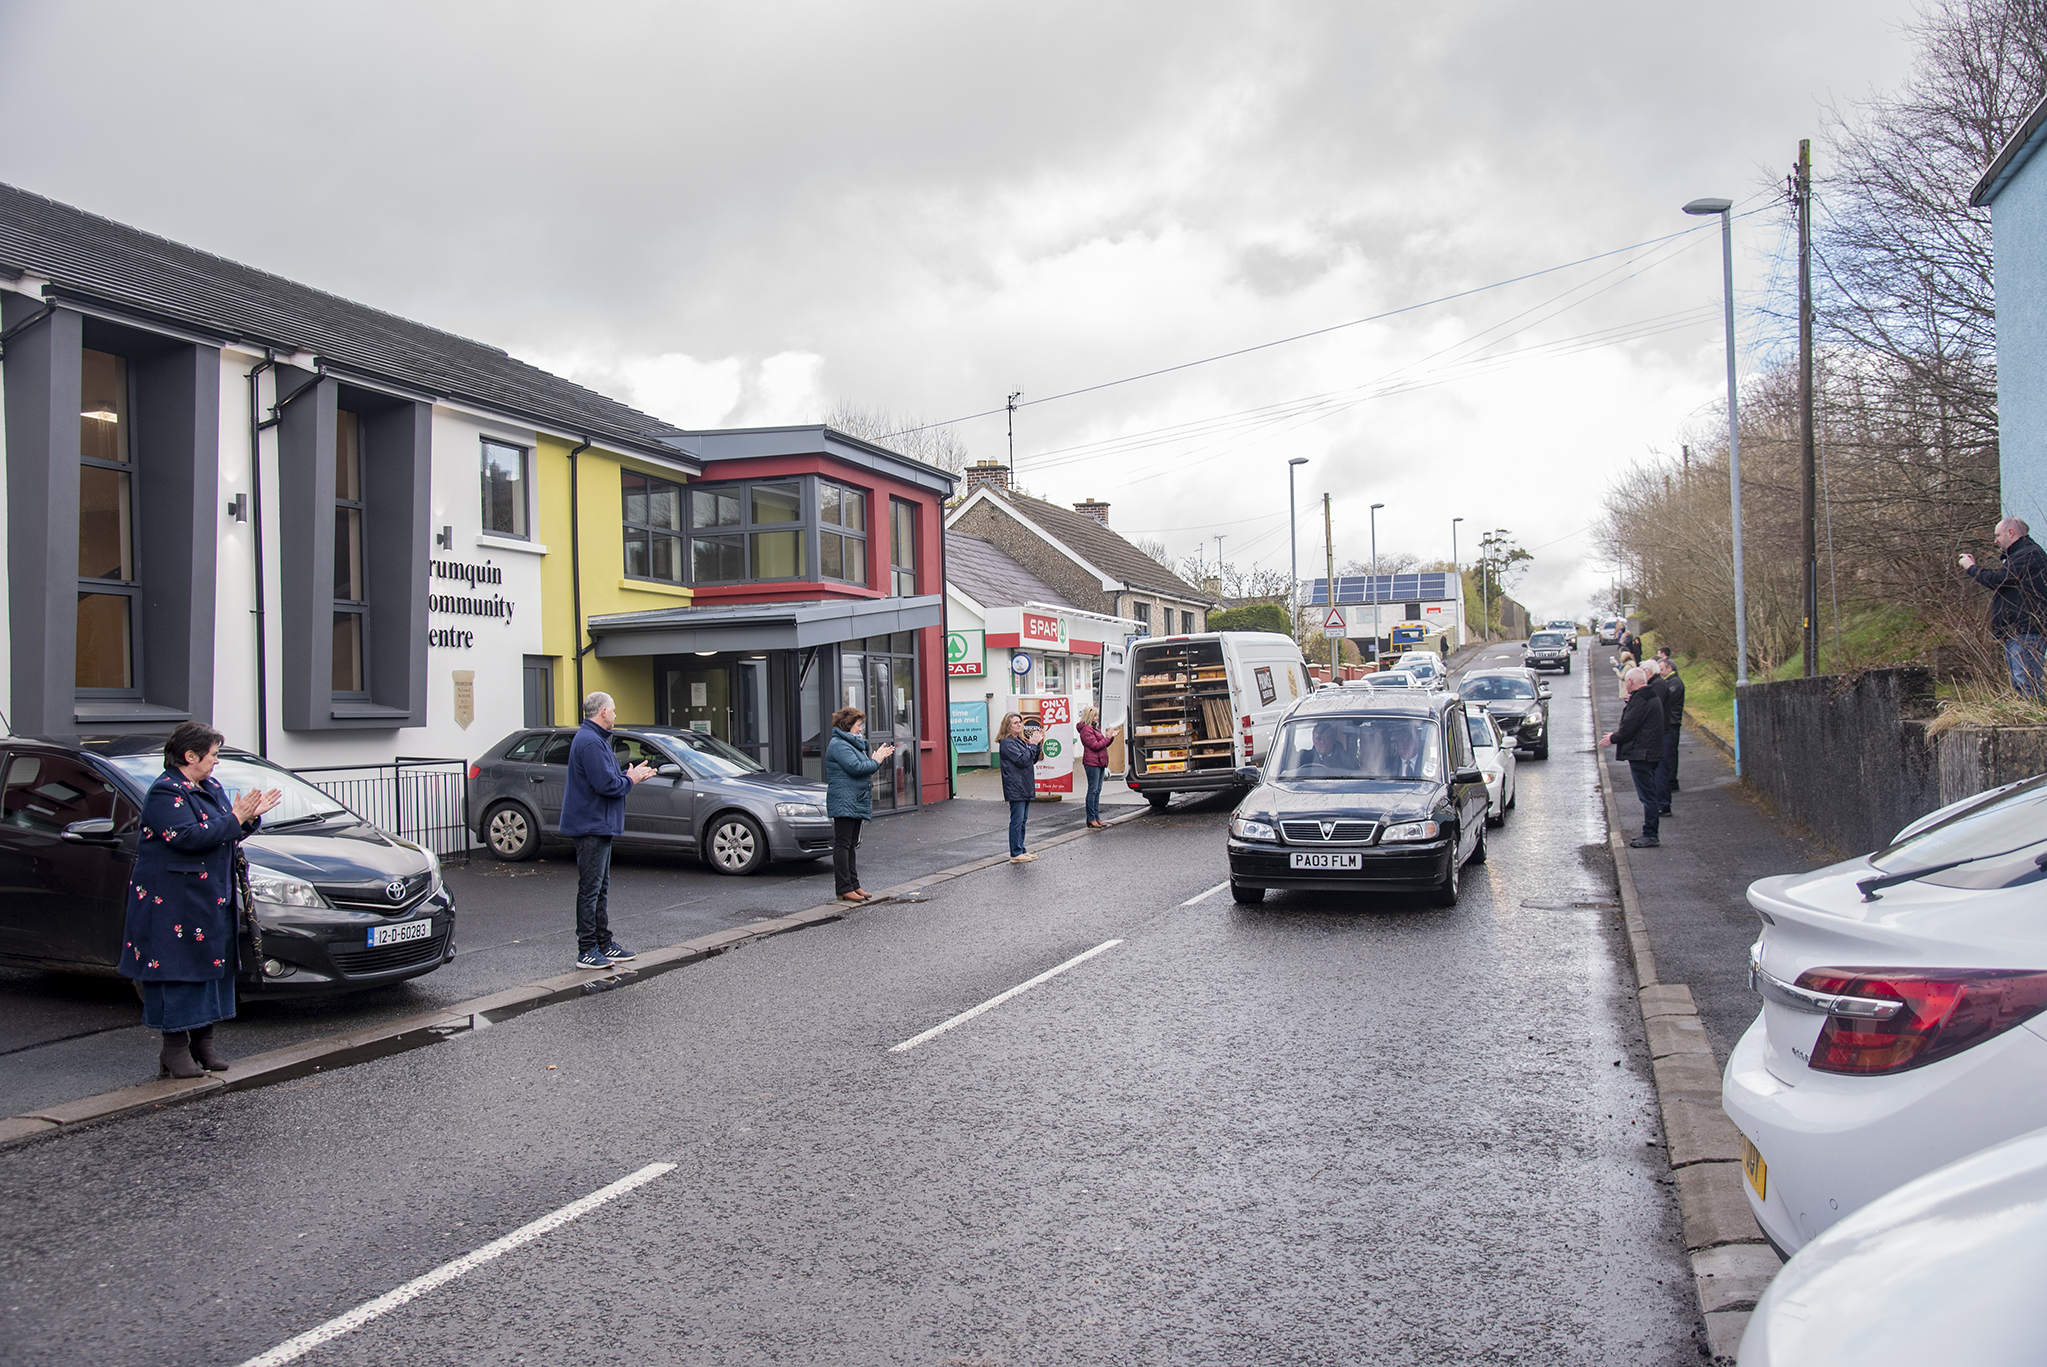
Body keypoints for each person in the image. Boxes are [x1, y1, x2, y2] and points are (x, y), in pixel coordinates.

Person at [120, 721, 282, 1079]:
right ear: (190, 756)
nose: (216, 762)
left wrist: (248, 818)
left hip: (208, 897)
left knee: (212, 967)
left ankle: (203, 1044)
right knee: (178, 972)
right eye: (212, 755)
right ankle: (174, 1049)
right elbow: (187, 836)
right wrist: (236, 818)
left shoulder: (209, 786)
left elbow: (226, 831)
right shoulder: (165, 792)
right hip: (173, 902)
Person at [560, 691, 656, 969]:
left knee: (599, 888)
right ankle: (587, 949)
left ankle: (604, 943)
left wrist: (629, 776)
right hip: (591, 824)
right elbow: (606, 785)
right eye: (613, 710)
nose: (615, 715)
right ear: (602, 712)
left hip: (598, 823)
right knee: (591, 889)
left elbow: (609, 779)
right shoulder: (590, 742)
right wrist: (631, 779)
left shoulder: (594, 739)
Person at [1959, 516, 2047, 699]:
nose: (1995, 540)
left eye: (1997, 535)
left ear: (2011, 532)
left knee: (2027, 682)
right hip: (2018, 630)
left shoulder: (2028, 555)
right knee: (2021, 682)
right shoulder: (2022, 555)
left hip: (2026, 629)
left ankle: (2037, 723)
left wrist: (1971, 568)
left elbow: (1998, 580)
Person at [825, 707, 895, 901]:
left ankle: (854, 885)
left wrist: (875, 759)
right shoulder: (839, 745)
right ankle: (843, 888)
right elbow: (857, 768)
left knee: (850, 845)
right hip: (844, 800)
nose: (860, 729)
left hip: (854, 800)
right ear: (847, 725)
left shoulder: (851, 744)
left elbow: (863, 766)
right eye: (858, 725)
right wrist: (877, 760)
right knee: (843, 844)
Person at [1603, 666, 1667, 848]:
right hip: (1650, 752)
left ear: (1630, 682)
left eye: (1626, 682)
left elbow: (1629, 726)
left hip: (1642, 753)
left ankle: (1650, 834)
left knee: (1647, 796)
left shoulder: (1641, 700)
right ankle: (1650, 832)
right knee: (1649, 794)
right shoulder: (1649, 695)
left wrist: (1612, 738)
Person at [997, 712, 1044, 862]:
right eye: (1016, 722)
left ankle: (1021, 849)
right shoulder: (1007, 743)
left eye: (1020, 722)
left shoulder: (1019, 741)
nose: (1019, 725)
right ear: (1008, 726)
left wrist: (1038, 743)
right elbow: (1022, 760)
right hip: (1016, 786)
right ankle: (1015, 853)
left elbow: (1032, 759)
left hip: (1024, 784)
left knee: (1023, 819)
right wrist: (1033, 744)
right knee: (1017, 820)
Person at [1076, 707, 1120, 830]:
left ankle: (1096, 816)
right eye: (1095, 716)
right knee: (1093, 790)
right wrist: (1107, 738)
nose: (1097, 718)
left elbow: (1103, 744)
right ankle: (1091, 817)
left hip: (1099, 762)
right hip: (1092, 763)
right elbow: (1095, 746)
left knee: (1097, 790)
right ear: (1089, 716)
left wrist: (1110, 737)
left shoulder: (1095, 728)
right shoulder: (1086, 730)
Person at [1655, 648, 1686, 812]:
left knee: (1671, 753)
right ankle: (1670, 780)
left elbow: (1666, 699)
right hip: (1671, 721)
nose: (1660, 674)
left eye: (1662, 670)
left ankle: (1672, 781)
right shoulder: (1669, 683)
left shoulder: (1675, 683)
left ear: (1669, 669)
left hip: (1672, 722)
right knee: (1670, 753)